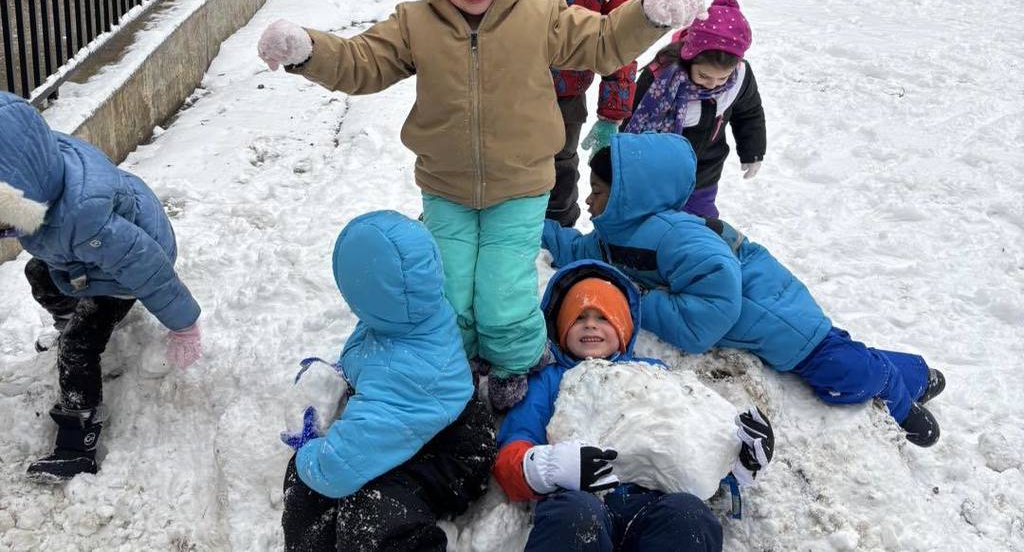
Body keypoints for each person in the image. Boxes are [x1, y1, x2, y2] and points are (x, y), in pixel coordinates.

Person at [256, 0, 706, 409]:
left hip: (519, 186)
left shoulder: (540, 15)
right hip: (446, 186)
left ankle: (516, 360)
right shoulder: (415, 24)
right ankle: (460, 359)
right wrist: (308, 50)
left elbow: (604, 41)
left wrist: (647, 13)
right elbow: (362, 63)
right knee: (449, 286)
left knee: (501, 287)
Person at [543, 132, 945, 447]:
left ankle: (899, 397)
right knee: (842, 356)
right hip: (759, 324)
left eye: (598, 191)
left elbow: (709, 314)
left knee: (841, 374)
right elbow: (576, 250)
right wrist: (527, 227)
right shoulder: (612, 238)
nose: (588, 200)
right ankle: (919, 374)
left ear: (628, 197)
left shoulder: (675, 235)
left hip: (781, 322)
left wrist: (640, 303)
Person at [492, 259, 774, 552]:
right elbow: (512, 452)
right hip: (581, 499)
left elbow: (690, 447)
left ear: (623, 327)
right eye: (578, 317)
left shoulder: (654, 374)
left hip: (653, 503)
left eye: (603, 317)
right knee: (572, 517)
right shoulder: (549, 380)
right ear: (561, 328)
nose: (590, 324)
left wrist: (740, 460)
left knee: (689, 516)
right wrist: (551, 466)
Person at [0, 92, 202, 481]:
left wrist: (184, 325)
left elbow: (147, 267)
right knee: (38, 275)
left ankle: (77, 444)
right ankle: (71, 321)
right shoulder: (42, 177)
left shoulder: (86, 219)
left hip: (123, 270)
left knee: (78, 346)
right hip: (84, 258)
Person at [280, 210, 496, 552]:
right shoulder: (408, 312)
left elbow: (338, 468)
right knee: (320, 488)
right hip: (417, 423)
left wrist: (311, 451)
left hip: (452, 454)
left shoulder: (405, 372)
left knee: (369, 507)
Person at [521, 0, 652, 227]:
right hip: (503, 80)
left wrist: (612, 114)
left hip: (564, 97)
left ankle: (557, 228)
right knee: (491, 152)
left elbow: (622, 48)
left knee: (559, 165)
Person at [623, 0, 765, 219]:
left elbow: (749, 113)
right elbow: (632, 121)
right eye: (704, 76)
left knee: (699, 225)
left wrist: (753, 150)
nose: (713, 84)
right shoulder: (660, 77)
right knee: (649, 225)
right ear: (689, 57)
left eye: (722, 78)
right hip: (654, 175)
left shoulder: (739, 77)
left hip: (703, 175)